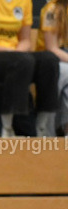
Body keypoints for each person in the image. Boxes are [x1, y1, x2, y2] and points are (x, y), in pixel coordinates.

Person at [0, 0, 59, 136]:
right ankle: (7, 128)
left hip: (16, 57)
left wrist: (16, 53)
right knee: (21, 61)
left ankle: (42, 127)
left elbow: (25, 40)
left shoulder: (25, 2)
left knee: (49, 60)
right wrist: (9, 53)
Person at [40, 0, 68, 134]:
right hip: (50, 60)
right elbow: (52, 48)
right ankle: (49, 131)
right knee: (64, 72)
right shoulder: (52, 10)